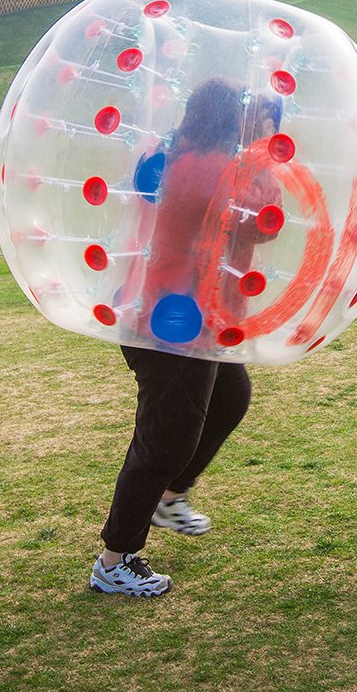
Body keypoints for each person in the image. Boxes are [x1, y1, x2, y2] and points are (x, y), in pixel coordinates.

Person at [90, 81, 283, 597]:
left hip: (190, 319)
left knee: (230, 398)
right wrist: (266, 149)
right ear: (230, 120)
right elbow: (264, 222)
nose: (253, 125)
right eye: (248, 117)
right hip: (177, 326)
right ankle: (116, 558)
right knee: (164, 441)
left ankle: (168, 496)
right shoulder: (214, 169)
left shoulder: (187, 155)